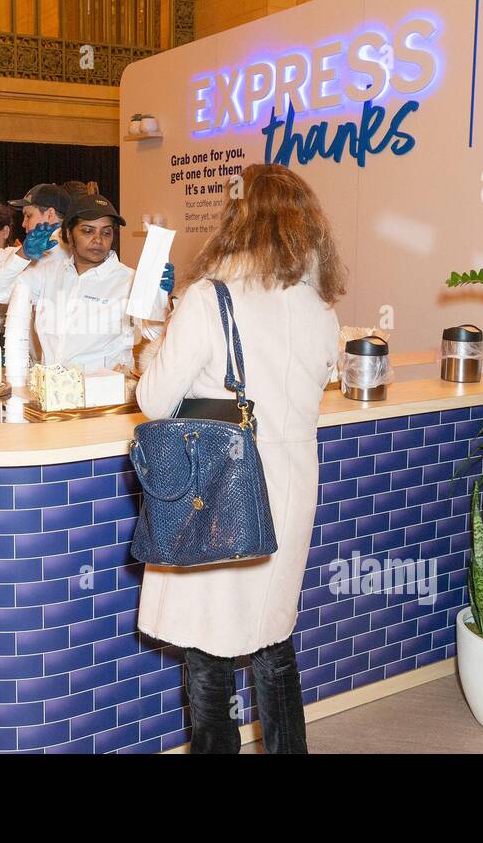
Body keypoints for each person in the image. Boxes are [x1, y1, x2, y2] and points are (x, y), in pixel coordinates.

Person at [134, 164, 345, 754]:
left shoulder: (208, 298)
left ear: (237, 219)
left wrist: (156, 346)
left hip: (221, 487)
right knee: (271, 637)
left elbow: (154, 399)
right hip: (290, 484)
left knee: (208, 645)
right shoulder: (318, 307)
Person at [6, 191, 172, 372]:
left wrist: (161, 299)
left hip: (107, 396)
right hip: (53, 392)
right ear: (69, 234)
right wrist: (22, 255)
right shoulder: (48, 273)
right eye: (88, 231)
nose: (98, 240)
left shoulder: (129, 280)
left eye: (106, 232)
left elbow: (155, 333)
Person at [0, 183, 72, 305]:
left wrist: (23, 254)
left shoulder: (51, 251)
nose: (23, 223)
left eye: (29, 216)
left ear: (50, 214)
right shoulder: (66, 247)